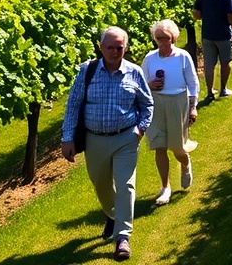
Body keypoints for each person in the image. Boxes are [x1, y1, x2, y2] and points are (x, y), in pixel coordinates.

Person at [61, 26, 153, 262]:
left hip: (126, 138)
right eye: (109, 47)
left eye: (119, 47)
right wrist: (67, 138)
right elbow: (73, 105)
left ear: (126, 48)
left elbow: (147, 105)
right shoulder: (87, 70)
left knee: (125, 186)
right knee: (101, 185)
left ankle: (122, 237)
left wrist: (140, 129)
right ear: (100, 47)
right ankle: (112, 214)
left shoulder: (134, 72)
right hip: (95, 139)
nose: (114, 52)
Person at [141, 20, 200, 206]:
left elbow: (193, 83)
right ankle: (165, 187)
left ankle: (185, 163)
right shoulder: (150, 58)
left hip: (178, 102)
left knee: (177, 147)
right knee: (159, 145)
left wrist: (193, 106)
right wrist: (150, 85)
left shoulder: (182, 56)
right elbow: (141, 84)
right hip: (156, 103)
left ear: (173, 37)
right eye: (158, 38)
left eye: (165, 38)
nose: (162, 42)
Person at [192, 0, 232, 102]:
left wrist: (206, 16)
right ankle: (223, 89)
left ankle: (210, 92)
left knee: (209, 63)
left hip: (207, 34)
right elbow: (231, 16)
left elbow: (196, 13)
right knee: (226, 61)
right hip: (223, 35)